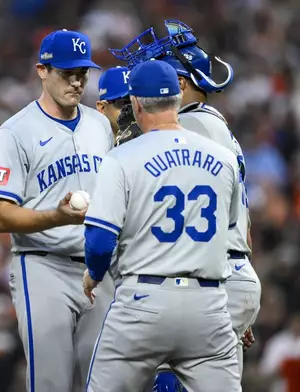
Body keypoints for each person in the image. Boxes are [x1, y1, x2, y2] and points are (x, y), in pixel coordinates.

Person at [110, 19, 261, 388]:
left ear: (177, 85)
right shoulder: (213, 128)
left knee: (167, 376)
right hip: (225, 272)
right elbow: (241, 222)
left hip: (206, 279)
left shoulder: (189, 129)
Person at [82, 60, 242, 391]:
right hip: (208, 307)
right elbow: (230, 227)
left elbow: (99, 242)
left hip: (144, 303)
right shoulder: (223, 157)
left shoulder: (121, 158)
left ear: (136, 103)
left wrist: (94, 274)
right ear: (177, 99)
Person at [0, 29, 115, 392]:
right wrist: (56, 217)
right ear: (42, 70)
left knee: (102, 382)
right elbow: (2, 216)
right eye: (66, 72)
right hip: (42, 265)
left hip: (98, 268)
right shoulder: (15, 132)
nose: (76, 81)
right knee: (50, 382)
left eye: (82, 73)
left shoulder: (100, 125)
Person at [95, 66, 130, 135]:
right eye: (123, 103)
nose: (133, 110)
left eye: (136, 102)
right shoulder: (93, 144)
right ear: (102, 108)